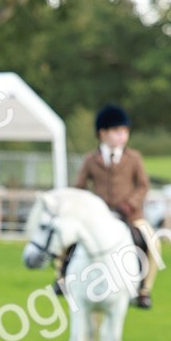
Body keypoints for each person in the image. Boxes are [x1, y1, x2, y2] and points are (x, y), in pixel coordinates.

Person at [68, 103, 155, 308]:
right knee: (68, 240)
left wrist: (129, 204)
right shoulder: (90, 159)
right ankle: (62, 278)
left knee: (153, 242)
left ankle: (144, 289)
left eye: (124, 131)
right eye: (117, 131)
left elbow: (143, 186)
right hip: (99, 217)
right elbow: (80, 187)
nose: (122, 136)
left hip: (130, 214)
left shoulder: (134, 158)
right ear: (103, 133)